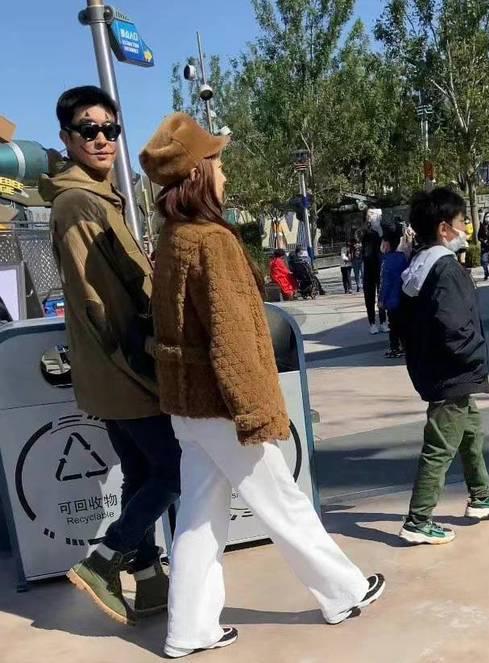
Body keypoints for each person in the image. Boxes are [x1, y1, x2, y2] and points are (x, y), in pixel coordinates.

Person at [141, 113, 384, 657]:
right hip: (224, 406)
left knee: (199, 518)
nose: (224, 173)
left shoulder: (173, 237)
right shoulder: (212, 241)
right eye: (217, 162)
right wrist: (255, 412)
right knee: (283, 503)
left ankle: (189, 629)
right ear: (198, 174)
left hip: (187, 404)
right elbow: (234, 339)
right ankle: (343, 592)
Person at [39, 86, 180, 625]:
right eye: (88, 129)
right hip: (123, 368)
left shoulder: (99, 197)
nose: (101, 139)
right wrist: (143, 363)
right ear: (66, 137)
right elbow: (97, 300)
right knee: (177, 468)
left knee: (141, 472)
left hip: (114, 370)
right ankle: (105, 559)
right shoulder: (78, 204)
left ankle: (148, 581)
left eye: (110, 130)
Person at [398, 187, 489, 545]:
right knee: (440, 444)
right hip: (452, 371)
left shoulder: (420, 264)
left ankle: (481, 495)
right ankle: (418, 520)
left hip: (439, 368)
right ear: (444, 228)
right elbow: (454, 325)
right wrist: (475, 355)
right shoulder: (446, 269)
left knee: (471, 432)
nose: (466, 228)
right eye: (462, 221)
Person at [379, 225, 408, 358]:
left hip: (391, 299)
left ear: (387, 244)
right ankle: (405, 346)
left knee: (393, 325)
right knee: (402, 324)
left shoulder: (387, 261)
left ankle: (394, 348)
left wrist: (381, 299)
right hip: (403, 297)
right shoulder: (403, 257)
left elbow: (386, 283)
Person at [363, 208, 388, 335]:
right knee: (370, 296)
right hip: (368, 267)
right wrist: (369, 224)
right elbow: (361, 236)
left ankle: (383, 321)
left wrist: (380, 230)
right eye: (376, 215)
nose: (378, 218)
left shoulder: (381, 230)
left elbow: (386, 242)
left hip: (380, 265)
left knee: (381, 294)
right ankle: (372, 323)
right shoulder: (365, 231)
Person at [478, 211, 489, 281]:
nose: (488, 218)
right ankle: (486, 273)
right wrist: (483, 241)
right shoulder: (482, 226)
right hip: (484, 246)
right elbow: (479, 236)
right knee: (484, 261)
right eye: (487, 216)